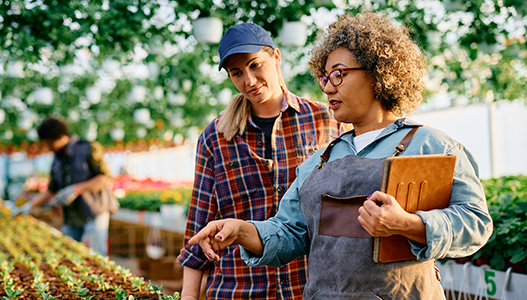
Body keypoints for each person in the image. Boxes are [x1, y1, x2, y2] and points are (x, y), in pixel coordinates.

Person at [188, 12, 493, 299]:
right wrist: (241, 229)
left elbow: (476, 223)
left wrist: (409, 224)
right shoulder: (319, 161)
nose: (328, 88)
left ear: (378, 72)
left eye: (339, 75)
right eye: (325, 78)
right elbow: (289, 231)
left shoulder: (430, 145)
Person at [177, 22, 349, 299]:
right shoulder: (216, 137)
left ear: (276, 57)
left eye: (255, 65)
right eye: (237, 73)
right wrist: (188, 296)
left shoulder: (325, 121)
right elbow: (199, 225)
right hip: (239, 288)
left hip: (308, 287)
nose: (249, 80)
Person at [14, 117, 118, 255]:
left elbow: (104, 178)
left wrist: (77, 189)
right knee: (70, 254)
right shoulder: (57, 158)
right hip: (72, 215)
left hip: (94, 211)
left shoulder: (88, 148)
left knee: (96, 255)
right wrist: (29, 206)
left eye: (50, 142)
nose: (48, 146)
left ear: (61, 137)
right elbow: (52, 189)